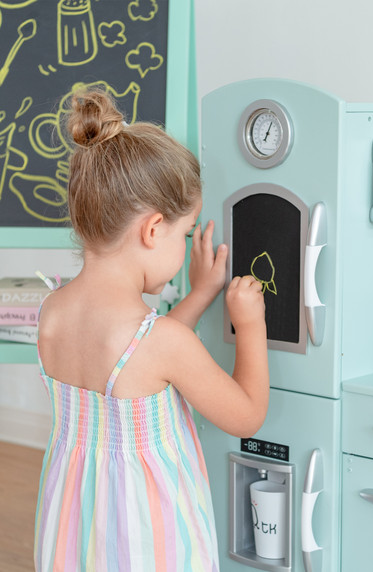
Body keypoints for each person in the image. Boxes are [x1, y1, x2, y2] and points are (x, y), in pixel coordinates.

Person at [34, 88, 269, 571]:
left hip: (75, 534)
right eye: (185, 234)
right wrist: (250, 324)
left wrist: (199, 295)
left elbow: (142, 360)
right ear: (153, 229)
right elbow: (246, 417)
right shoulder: (163, 343)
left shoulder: (52, 312)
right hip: (146, 543)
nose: (185, 246)